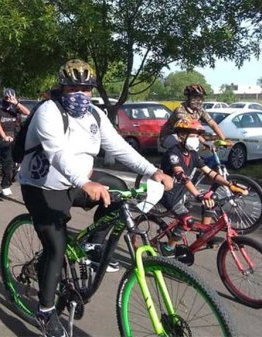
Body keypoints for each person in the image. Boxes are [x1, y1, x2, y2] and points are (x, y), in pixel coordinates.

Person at [19, 59, 172, 337]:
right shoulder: (48, 112)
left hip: (78, 183)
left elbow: (120, 147)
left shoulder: (95, 115)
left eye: (86, 88)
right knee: (56, 246)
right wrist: (84, 181)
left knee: (117, 193)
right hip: (42, 187)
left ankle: (93, 245)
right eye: (74, 87)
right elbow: (56, 153)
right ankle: (45, 311)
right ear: (62, 87)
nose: (81, 94)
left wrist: (154, 171)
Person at [157, 116, 248, 256]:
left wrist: (230, 185)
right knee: (187, 220)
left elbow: (210, 172)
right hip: (169, 194)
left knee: (212, 199)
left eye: (197, 136)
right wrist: (198, 195)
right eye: (193, 136)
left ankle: (203, 234)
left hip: (183, 191)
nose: (196, 139)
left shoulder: (192, 154)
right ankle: (168, 248)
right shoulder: (173, 153)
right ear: (182, 135)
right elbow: (182, 176)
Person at [159, 84, 227, 151]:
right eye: (195, 98)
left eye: (200, 98)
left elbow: (213, 124)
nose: (198, 101)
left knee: (194, 147)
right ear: (188, 98)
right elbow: (190, 129)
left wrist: (224, 140)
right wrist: (204, 142)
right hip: (168, 136)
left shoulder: (200, 110)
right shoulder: (180, 110)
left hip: (186, 136)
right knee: (192, 143)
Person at [0, 88, 30, 196]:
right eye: (7, 98)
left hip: (12, 134)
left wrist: (16, 103)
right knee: (8, 158)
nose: (9, 100)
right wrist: (4, 136)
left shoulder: (15, 106)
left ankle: (11, 172)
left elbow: (28, 113)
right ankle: (5, 185)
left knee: (21, 154)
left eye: (11, 97)